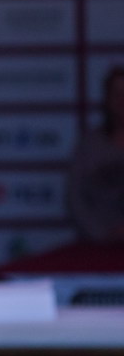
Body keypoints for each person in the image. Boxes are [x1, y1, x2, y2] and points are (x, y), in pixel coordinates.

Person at [68, 65, 124, 243]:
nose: (122, 100)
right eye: (116, 94)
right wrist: (102, 233)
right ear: (107, 99)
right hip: (97, 245)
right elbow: (75, 198)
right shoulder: (90, 144)